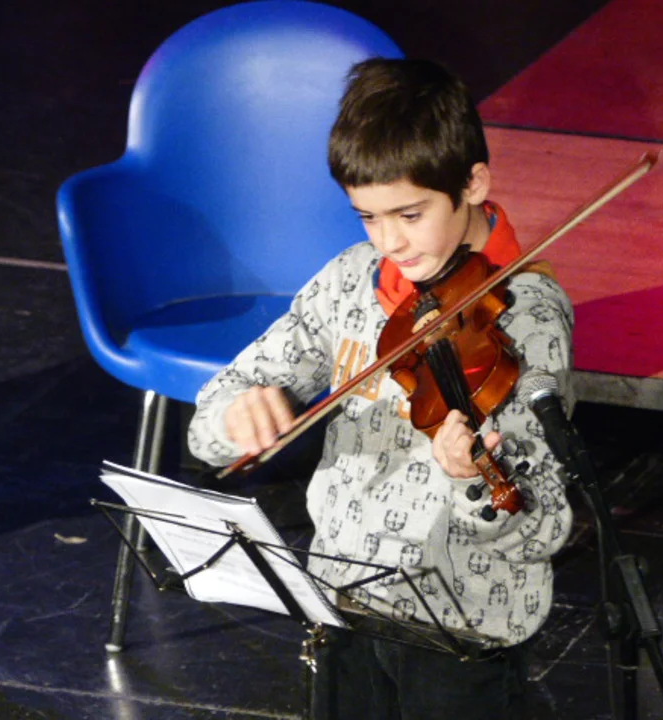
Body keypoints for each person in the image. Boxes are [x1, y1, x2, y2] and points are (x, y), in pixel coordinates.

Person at [187, 58, 575, 720]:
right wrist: (236, 415)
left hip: (460, 626)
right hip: (343, 599)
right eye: (368, 217)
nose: (390, 241)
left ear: (473, 183)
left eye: (410, 214)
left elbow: (537, 526)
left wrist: (471, 479)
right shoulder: (351, 281)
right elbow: (215, 417)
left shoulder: (525, 317)